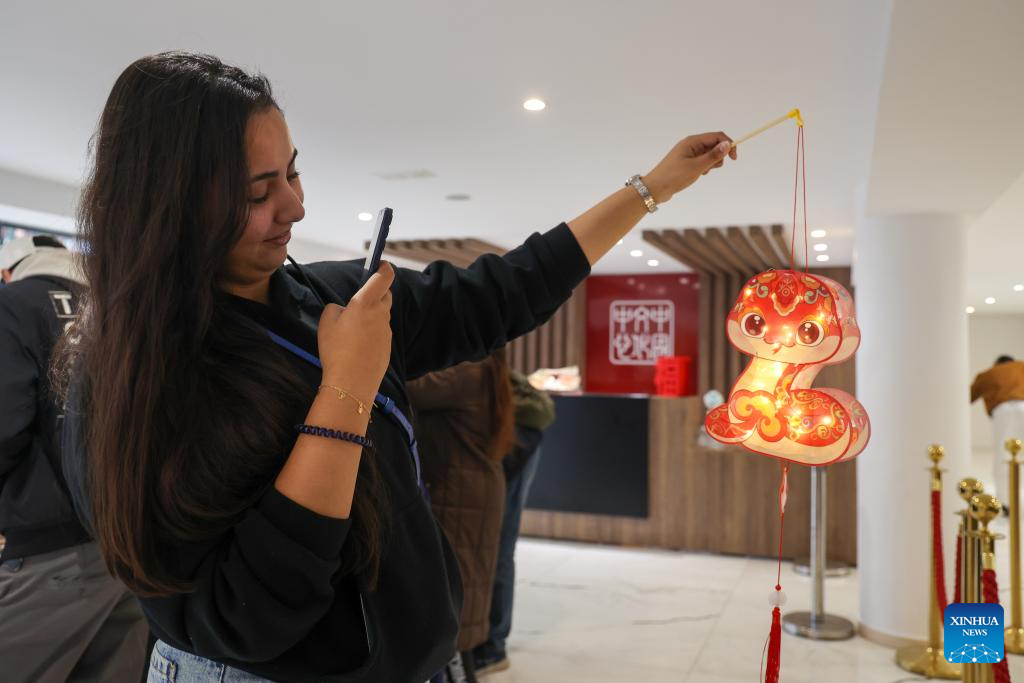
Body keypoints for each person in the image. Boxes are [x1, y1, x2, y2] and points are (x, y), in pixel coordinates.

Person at [59, 51, 737, 683]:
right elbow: (246, 613)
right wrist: (346, 388)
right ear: (171, 207)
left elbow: (506, 291)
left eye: (292, 172)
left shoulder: (330, 296)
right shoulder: (126, 383)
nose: (296, 206)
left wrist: (652, 187)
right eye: (259, 191)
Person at [0, 235, 148, 682]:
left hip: (46, 552)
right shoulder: (118, 309)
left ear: (8, 272)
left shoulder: (14, 306)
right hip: (127, 549)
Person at [407, 351, 517, 683]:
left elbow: (411, 387)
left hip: (462, 494)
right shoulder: (479, 363)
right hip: (468, 488)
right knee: (460, 593)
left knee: (457, 600)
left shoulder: (466, 368)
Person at [473, 369, 556, 676]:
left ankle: (493, 647)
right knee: (497, 547)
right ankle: (490, 643)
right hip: (513, 435)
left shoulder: (466, 362)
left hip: (513, 439)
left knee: (498, 548)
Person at [971, 355, 1024, 504]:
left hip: (1003, 411)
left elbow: (967, 396)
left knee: (1003, 456)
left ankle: (1006, 502)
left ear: (996, 364)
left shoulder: (989, 373)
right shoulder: (1021, 367)